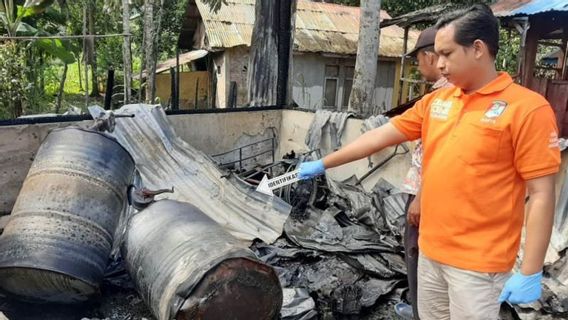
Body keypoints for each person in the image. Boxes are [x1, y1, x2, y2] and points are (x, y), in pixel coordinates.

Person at [299, 4, 560, 320]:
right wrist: (324, 162)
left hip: (478, 265)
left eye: (447, 54)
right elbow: (382, 136)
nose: (440, 64)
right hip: (432, 253)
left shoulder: (527, 109)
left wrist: (530, 270)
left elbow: (543, 193)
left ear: (477, 48)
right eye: (436, 55)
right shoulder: (437, 102)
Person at [395, 26, 451, 320]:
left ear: (430, 56)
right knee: (417, 254)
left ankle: (420, 313)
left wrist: (419, 196)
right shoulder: (436, 96)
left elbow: (440, 153)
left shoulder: (448, 98)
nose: (417, 67)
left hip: (425, 193)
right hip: (423, 190)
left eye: (418, 60)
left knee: (417, 254)